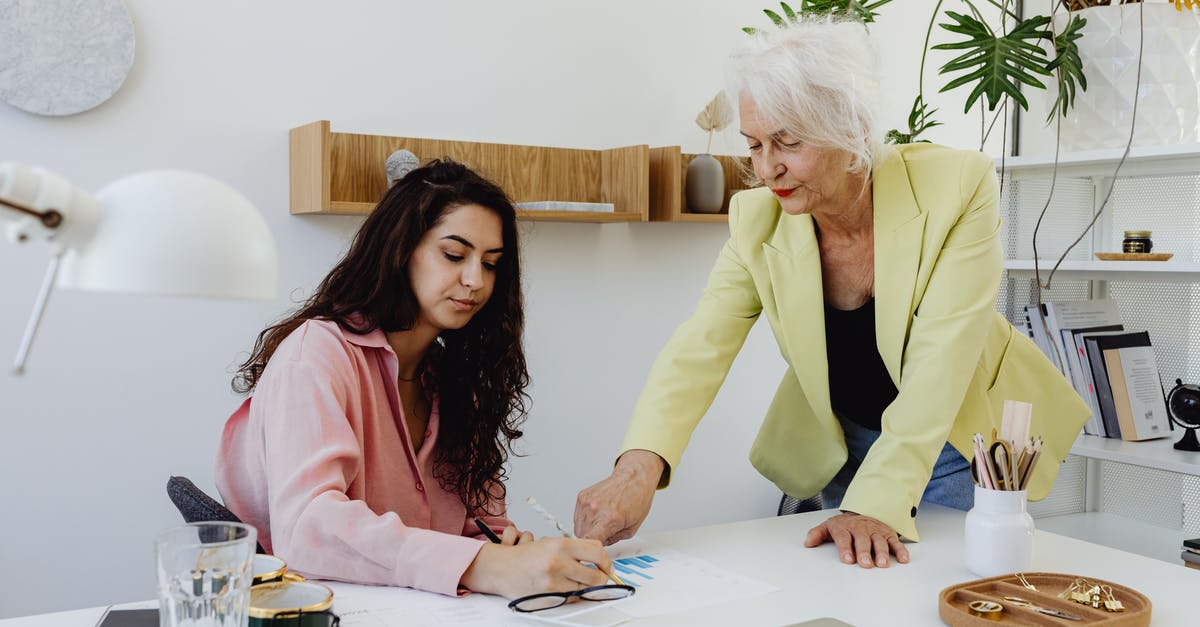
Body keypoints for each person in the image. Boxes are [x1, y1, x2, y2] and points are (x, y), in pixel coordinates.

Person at [574, 17, 1089, 569]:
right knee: (854, 590)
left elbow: (943, 361)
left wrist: (874, 503)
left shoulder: (956, 188)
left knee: (937, 592)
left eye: (788, 143)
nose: (767, 168)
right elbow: (698, 349)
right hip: (844, 442)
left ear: (852, 127)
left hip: (955, 442)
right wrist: (637, 469)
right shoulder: (758, 218)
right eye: (753, 144)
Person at [216, 159, 613, 598]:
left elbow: (478, 524)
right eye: (454, 255)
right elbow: (309, 527)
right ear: (400, 249)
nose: (475, 280)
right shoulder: (315, 357)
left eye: (492, 263)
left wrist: (501, 547)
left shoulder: (457, 380)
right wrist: (482, 565)